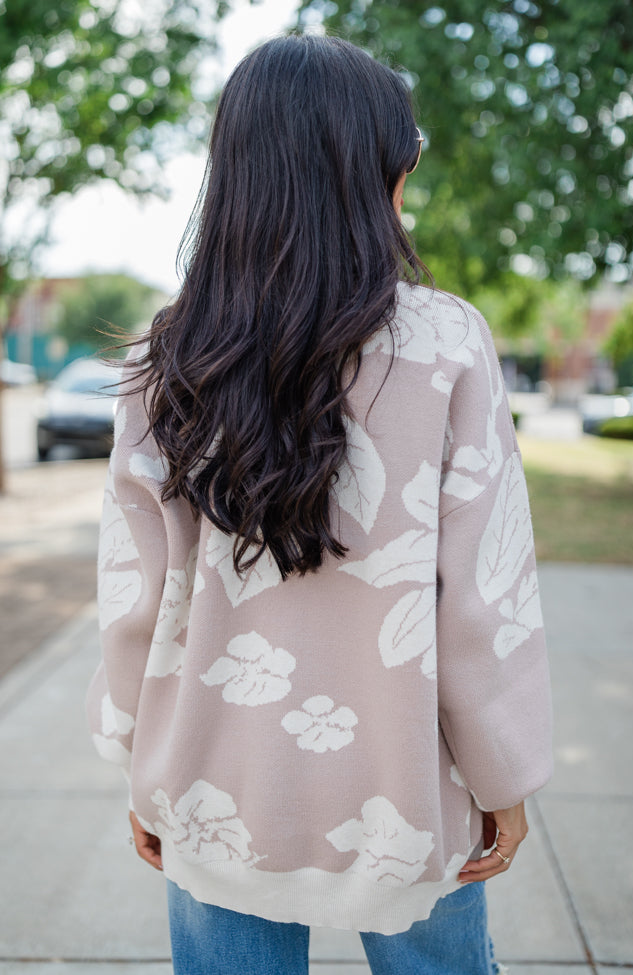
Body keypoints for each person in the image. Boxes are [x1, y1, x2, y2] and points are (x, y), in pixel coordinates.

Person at [86, 32, 553, 975]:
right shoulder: (448, 344)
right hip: (405, 793)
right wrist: (504, 771)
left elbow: (135, 599)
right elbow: (480, 597)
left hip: (218, 788)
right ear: (380, 171)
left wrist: (141, 765)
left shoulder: (171, 358)